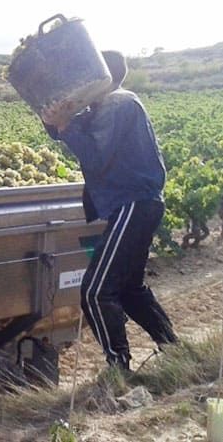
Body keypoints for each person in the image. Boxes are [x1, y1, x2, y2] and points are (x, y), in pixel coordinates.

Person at [40, 50, 177, 371]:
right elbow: (74, 128)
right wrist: (55, 121)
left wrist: (65, 125)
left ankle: (118, 368)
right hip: (138, 204)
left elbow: (95, 156)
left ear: (101, 75)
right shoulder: (107, 105)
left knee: (94, 292)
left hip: (133, 203)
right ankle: (174, 350)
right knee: (130, 289)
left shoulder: (118, 103)